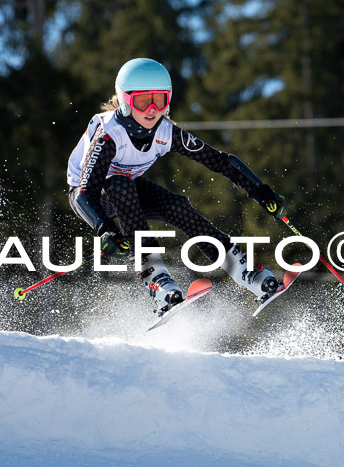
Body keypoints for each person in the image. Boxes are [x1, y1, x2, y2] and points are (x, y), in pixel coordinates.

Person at [66, 58, 287, 316]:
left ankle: (246, 272)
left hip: (127, 187)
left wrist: (259, 190)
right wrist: (104, 229)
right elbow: (83, 196)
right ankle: (158, 282)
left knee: (177, 207)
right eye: (142, 101)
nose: (151, 109)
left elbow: (218, 160)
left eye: (159, 100)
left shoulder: (166, 131)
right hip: (92, 197)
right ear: (125, 101)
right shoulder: (108, 135)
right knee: (119, 184)